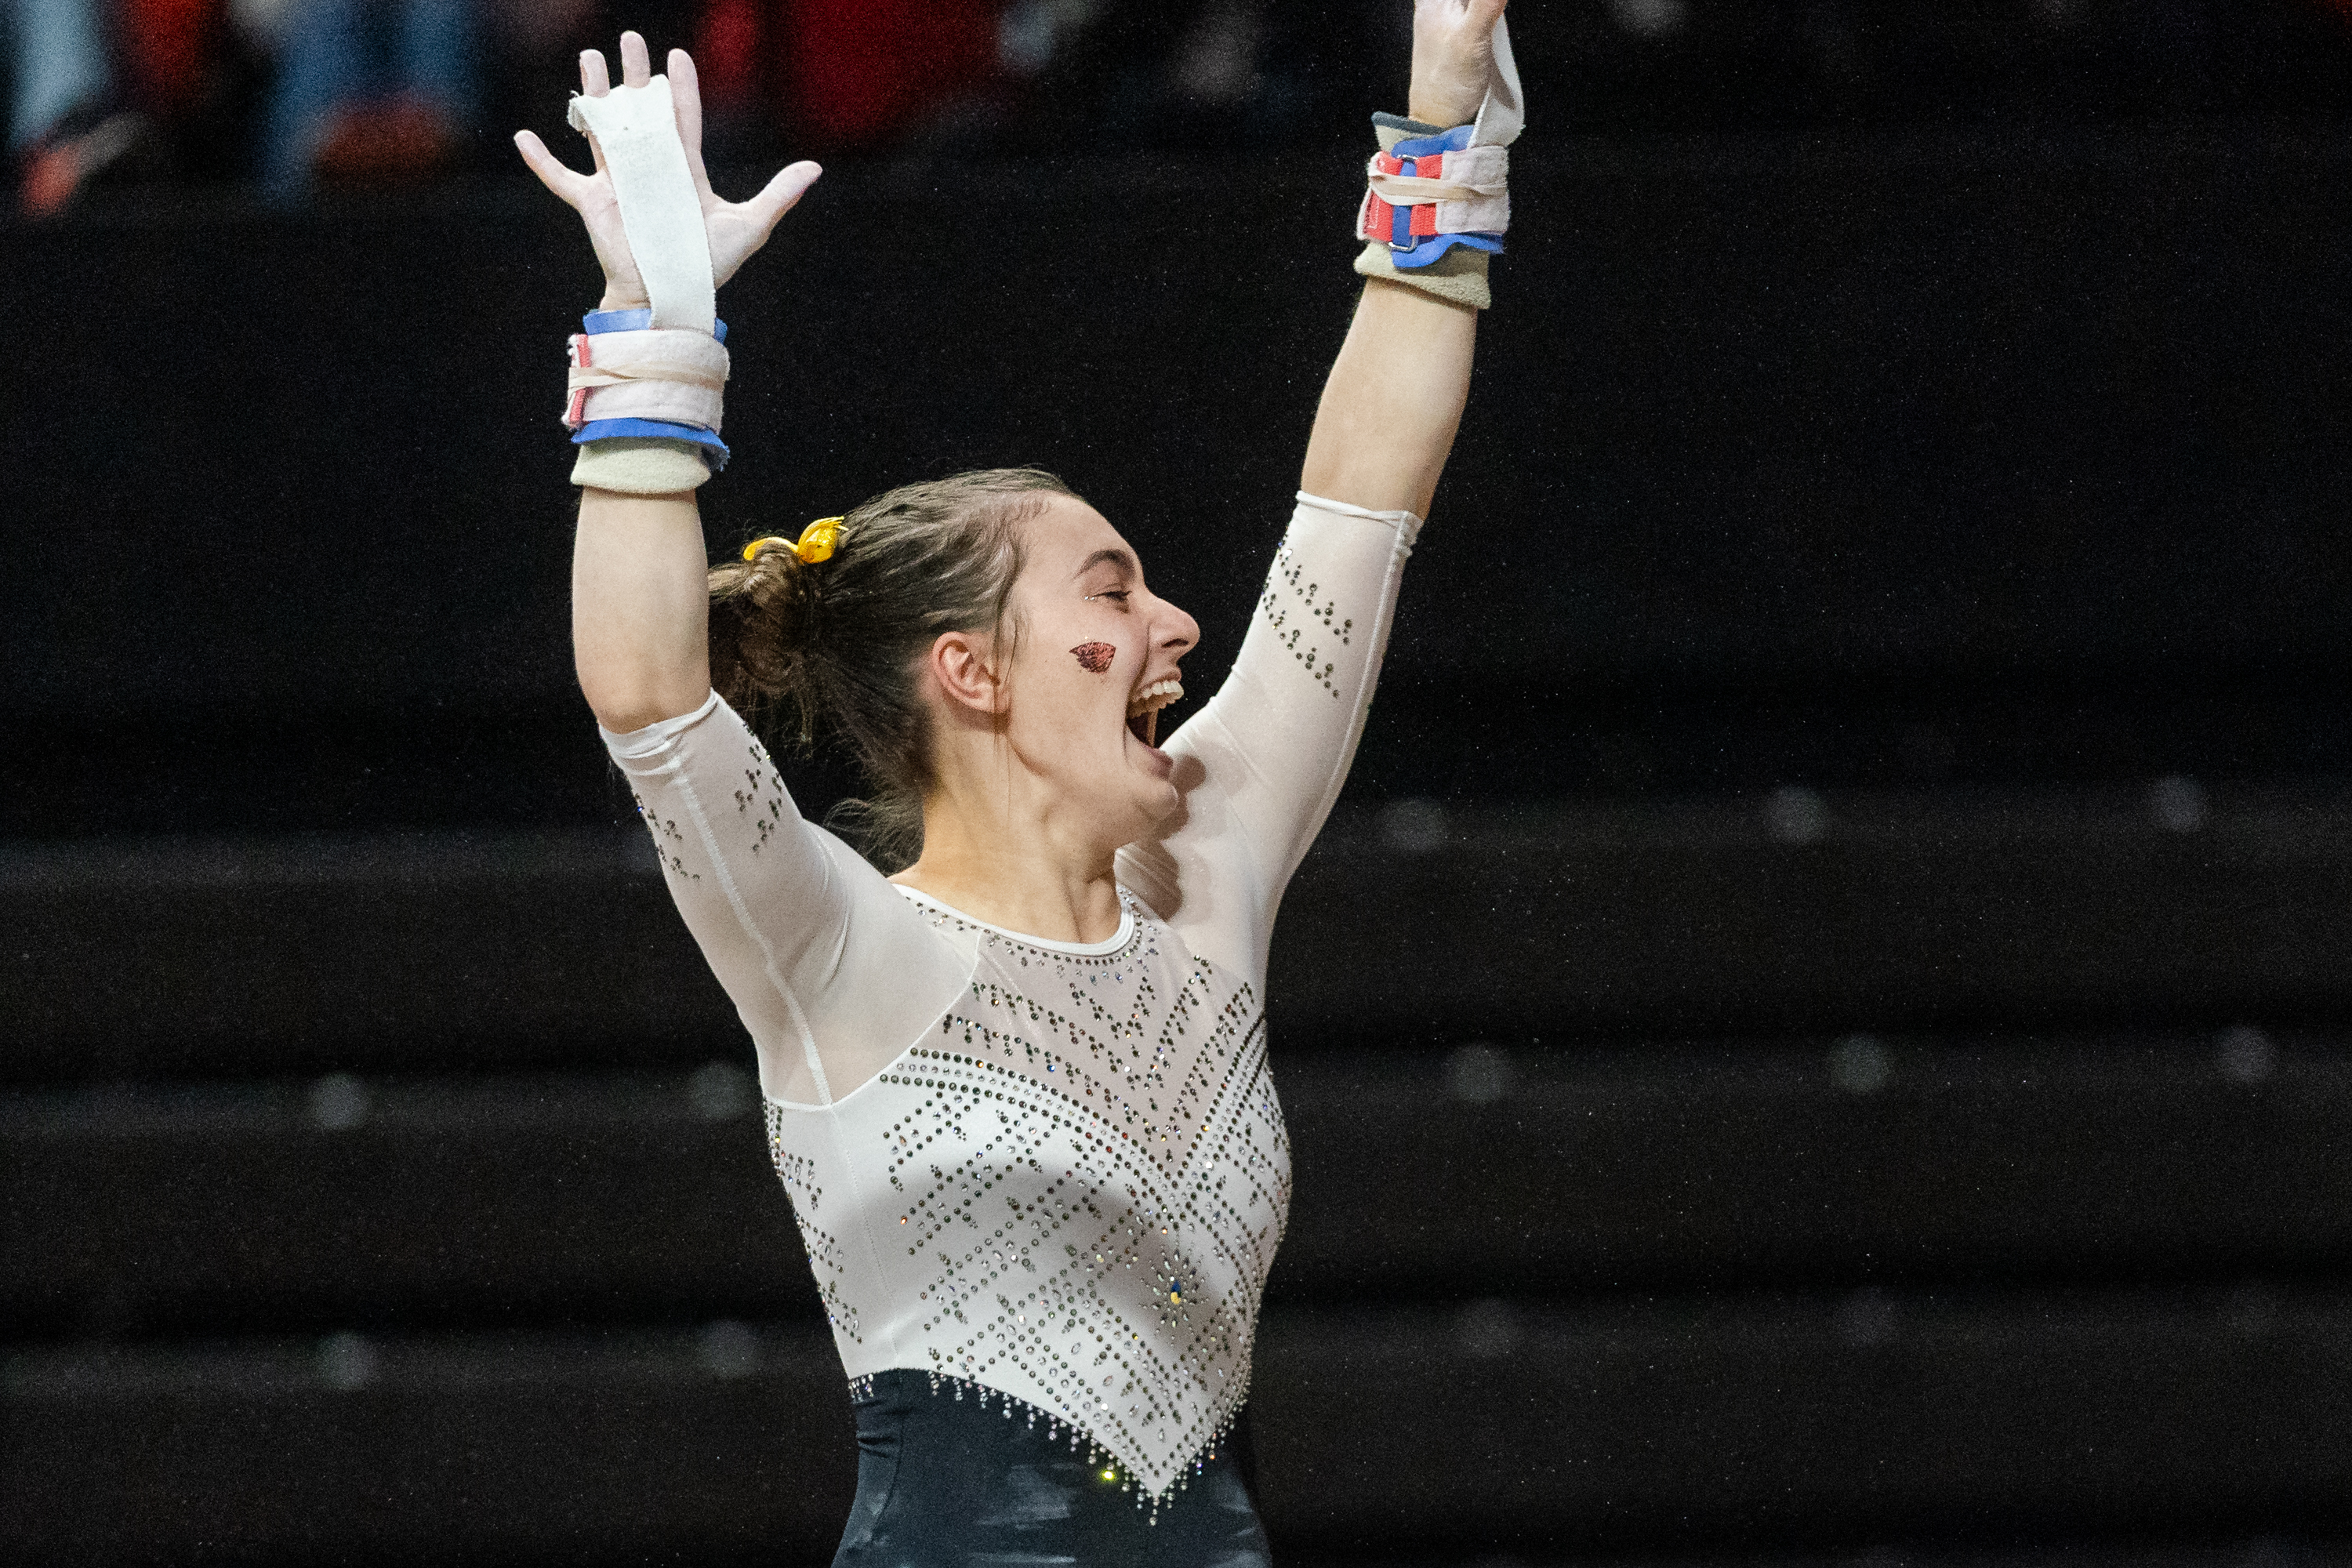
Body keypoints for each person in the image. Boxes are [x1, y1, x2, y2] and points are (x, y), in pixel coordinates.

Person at [515, 3, 1516, 1559]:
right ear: (971, 673)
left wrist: (1449, 131)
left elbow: (1361, 497)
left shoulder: (1209, 865)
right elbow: (649, 694)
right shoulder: (840, 949)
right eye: (1111, 595)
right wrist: (655, 337)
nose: (1177, 622)